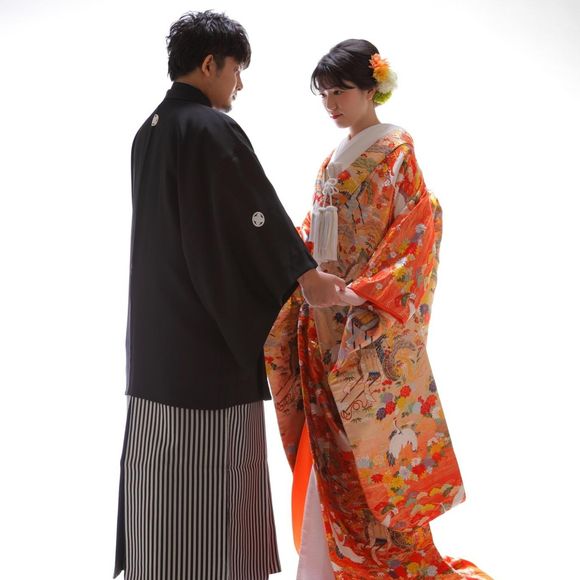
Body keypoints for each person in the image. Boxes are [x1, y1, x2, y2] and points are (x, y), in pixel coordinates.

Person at [113, 11, 347, 580]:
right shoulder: (209, 129)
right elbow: (252, 215)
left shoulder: (150, 130)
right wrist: (305, 275)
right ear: (209, 64)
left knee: (158, 478)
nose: (239, 84)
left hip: (156, 342)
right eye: (236, 69)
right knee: (216, 480)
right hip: (205, 343)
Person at [265, 39, 491, 578]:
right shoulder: (331, 159)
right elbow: (310, 232)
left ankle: (377, 562)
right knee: (329, 445)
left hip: (364, 322)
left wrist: (361, 293)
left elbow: (417, 230)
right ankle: (326, 562)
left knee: (369, 448)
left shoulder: (396, 151)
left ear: (372, 88)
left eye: (340, 91)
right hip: (321, 317)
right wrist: (294, 271)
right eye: (324, 94)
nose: (330, 103)